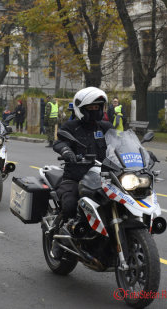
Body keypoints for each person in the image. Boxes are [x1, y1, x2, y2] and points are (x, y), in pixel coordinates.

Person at [52, 87, 113, 246]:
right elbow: (60, 142)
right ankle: (60, 238)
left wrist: (141, 152)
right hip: (76, 178)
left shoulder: (105, 127)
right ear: (81, 109)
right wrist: (66, 151)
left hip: (104, 178)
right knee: (70, 205)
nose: (95, 111)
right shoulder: (71, 127)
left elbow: (119, 142)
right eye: (91, 108)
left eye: (98, 107)